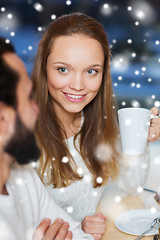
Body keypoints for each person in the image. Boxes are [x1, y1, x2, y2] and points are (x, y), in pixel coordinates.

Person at [32, 12, 160, 240]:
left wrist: (140, 143)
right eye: (63, 69)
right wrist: (78, 228)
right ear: (43, 68)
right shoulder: (21, 137)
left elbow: (131, 186)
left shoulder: (96, 125)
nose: (78, 85)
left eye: (91, 71)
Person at [0, 36, 93, 240]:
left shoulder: (23, 178)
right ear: (3, 118)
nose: (36, 109)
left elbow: (79, 235)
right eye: (27, 98)